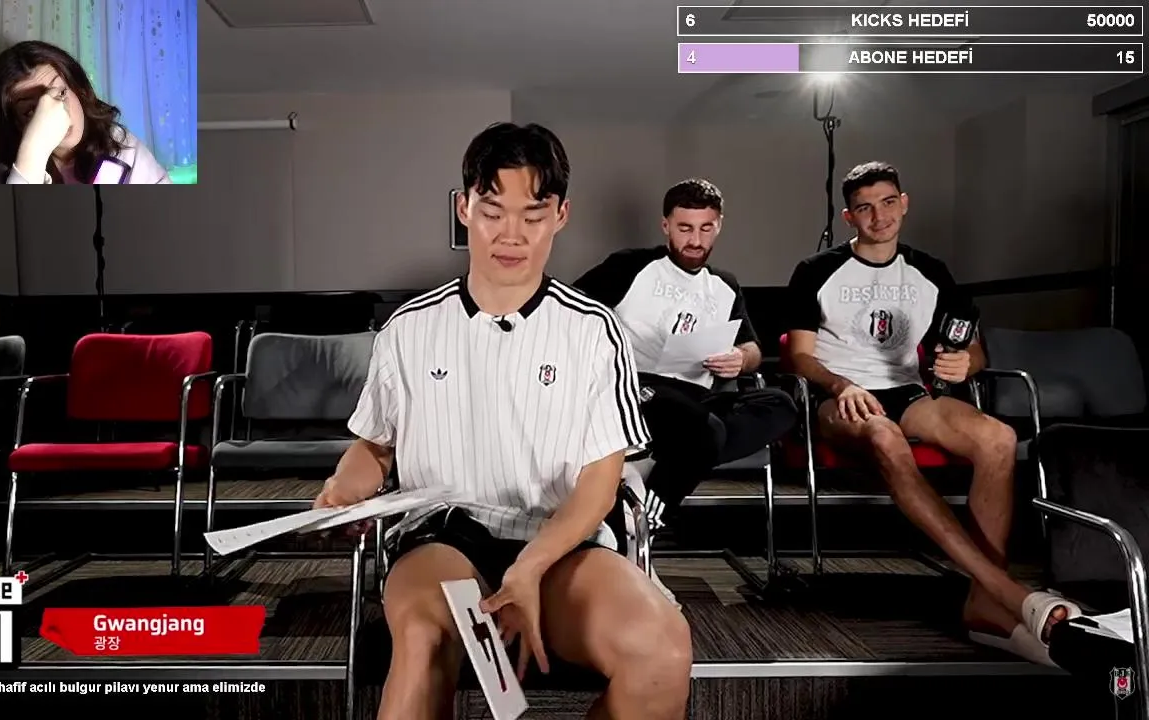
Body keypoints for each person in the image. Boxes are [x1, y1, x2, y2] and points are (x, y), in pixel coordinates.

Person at [315, 123, 692, 720]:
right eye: (492, 212)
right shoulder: (408, 328)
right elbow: (374, 448)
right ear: (464, 208)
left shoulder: (594, 330)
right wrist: (343, 489)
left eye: (533, 215)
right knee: (422, 639)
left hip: (561, 544)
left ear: (561, 215)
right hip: (442, 537)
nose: (511, 235)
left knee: (663, 651)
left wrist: (531, 566)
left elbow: (600, 481)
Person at [785, 161, 1081, 665]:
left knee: (998, 438)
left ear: (904, 203)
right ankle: (1006, 592)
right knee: (884, 436)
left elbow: (974, 349)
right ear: (848, 216)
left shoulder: (931, 271)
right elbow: (798, 356)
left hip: (907, 391)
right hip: (838, 396)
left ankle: (984, 601)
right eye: (864, 208)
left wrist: (968, 363)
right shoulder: (816, 270)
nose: (879, 216)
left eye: (888, 202)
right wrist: (841, 384)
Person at [574, 178, 797, 530]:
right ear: (666, 226)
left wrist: (740, 358)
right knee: (705, 432)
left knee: (780, 405)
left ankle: (652, 467)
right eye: (685, 228)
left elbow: (753, 348)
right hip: (639, 391)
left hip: (698, 397)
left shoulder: (724, 285)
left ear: (719, 226)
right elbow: (571, 312)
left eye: (706, 228)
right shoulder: (631, 266)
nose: (695, 240)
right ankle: (645, 522)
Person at [0, 41, 170, 185]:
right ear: (15, 123)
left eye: (61, 93)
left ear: (78, 90)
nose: (57, 113)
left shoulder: (120, 146)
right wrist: (33, 152)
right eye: (32, 110)